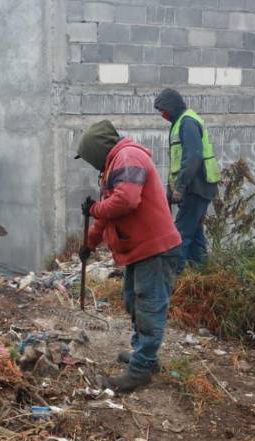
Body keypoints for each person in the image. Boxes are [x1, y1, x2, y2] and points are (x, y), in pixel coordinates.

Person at [76, 120, 182, 393]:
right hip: (139, 249)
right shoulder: (113, 166)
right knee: (133, 302)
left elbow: (125, 201)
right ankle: (143, 356)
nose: (90, 163)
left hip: (154, 248)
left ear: (98, 150)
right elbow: (104, 216)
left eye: (89, 157)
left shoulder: (128, 157)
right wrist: (89, 244)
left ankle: (140, 370)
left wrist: (95, 209)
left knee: (149, 306)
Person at [154, 88, 221, 270]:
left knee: (180, 234)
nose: (163, 115)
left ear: (172, 107)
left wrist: (180, 188)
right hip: (195, 188)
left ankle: (173, 278)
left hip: (196, 188)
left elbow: (193, 157)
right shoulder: (180, 123)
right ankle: (201, 273)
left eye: (163, 110)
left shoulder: (187, 123)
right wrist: (171, 190)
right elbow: (178, 162)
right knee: (195, 233)